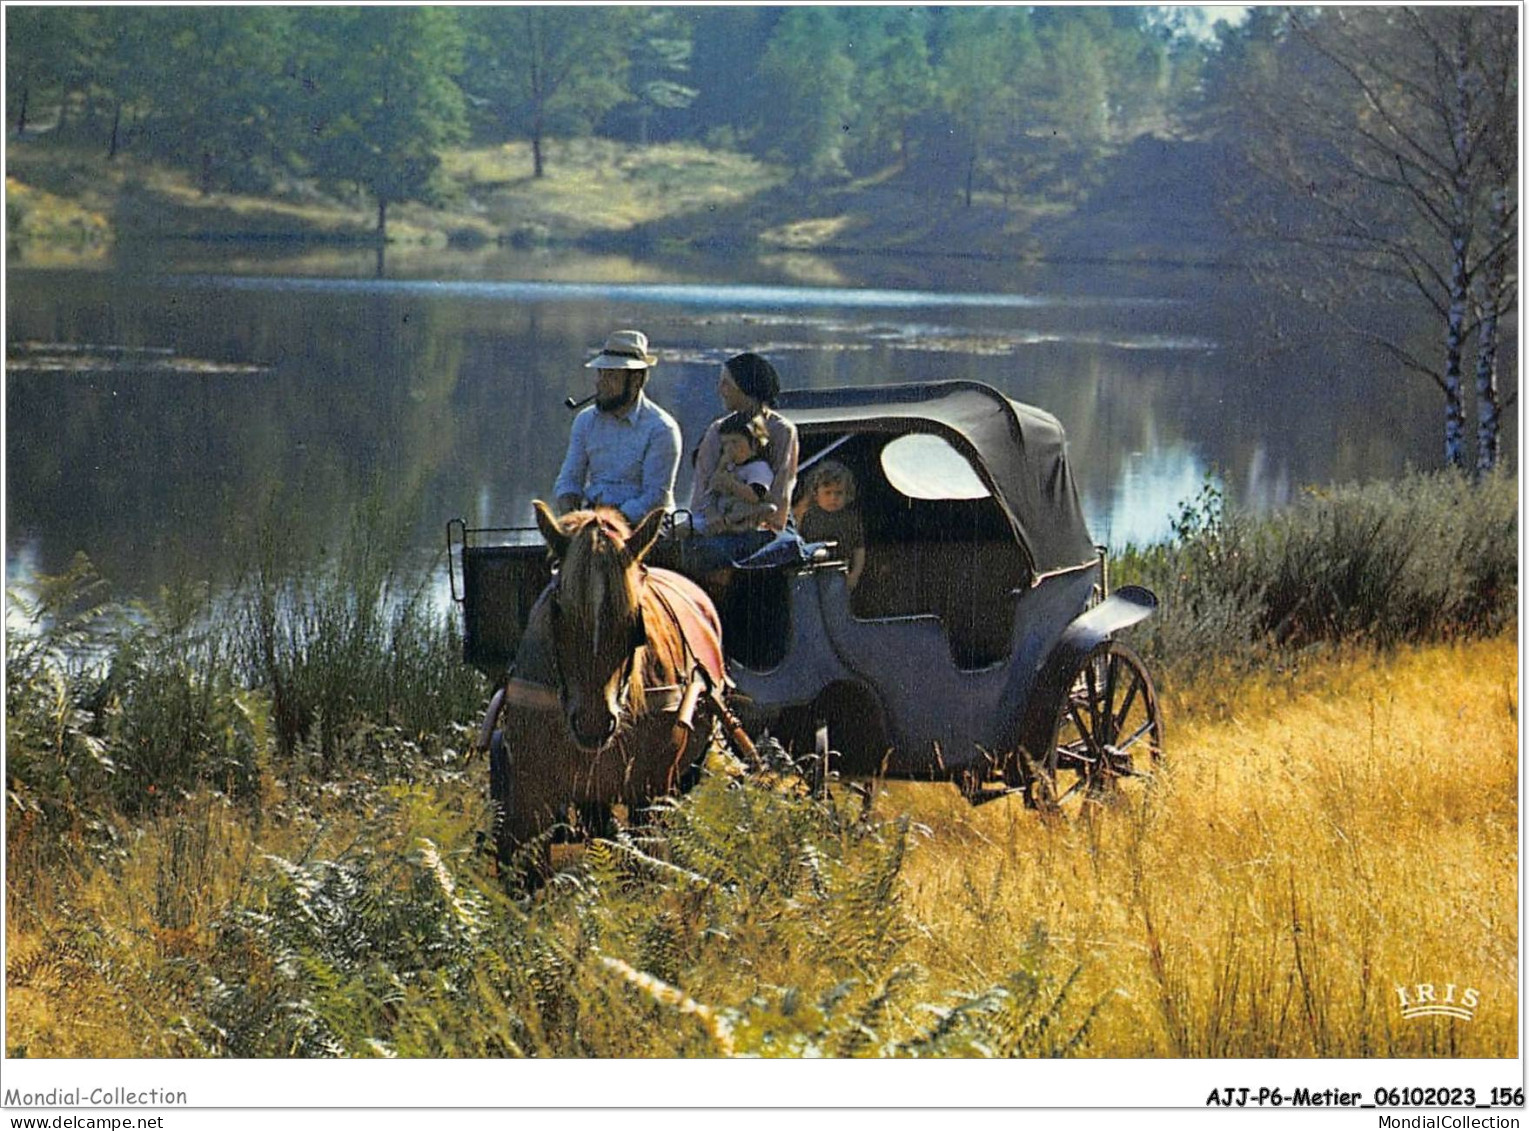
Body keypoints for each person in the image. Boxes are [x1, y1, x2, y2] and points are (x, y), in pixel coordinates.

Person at [553, 330, 682, 525]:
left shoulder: (662, 428)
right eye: (601, 373)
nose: (600, 383)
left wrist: (610, 523)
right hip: (595, 521)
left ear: (636, 380)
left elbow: (655, 498)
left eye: (611, 376)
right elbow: (569, 479)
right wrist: (571, 513)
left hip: (644, 527)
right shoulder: (586, 420)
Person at [694, 411, 776, 535]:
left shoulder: (758, 468)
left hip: (742, 511)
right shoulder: (730, 467)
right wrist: (721, 468)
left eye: (735, 442)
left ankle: (732, 525)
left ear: (754, 443)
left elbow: (754, 496)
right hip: (719, 514)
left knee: (767, 509)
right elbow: (712, 491)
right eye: (725, 444)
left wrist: (731, 484)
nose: (730, 449)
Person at [793, 459, 866, 591]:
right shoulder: (807, 514)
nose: (833, 498)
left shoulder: (850, 518)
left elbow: (859, 548)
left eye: (838, 493)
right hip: (808, 572)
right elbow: (794, 536)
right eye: (827, 493)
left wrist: (855, 575)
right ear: (816, 493)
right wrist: (801, 509)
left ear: (847, 493)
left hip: (839, 571)